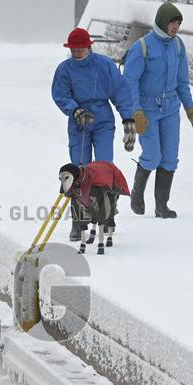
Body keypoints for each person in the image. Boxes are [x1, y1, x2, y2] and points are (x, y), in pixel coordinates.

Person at [52, 27, 136, 241]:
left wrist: (128, 119)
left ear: (89, 46)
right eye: (73, 50)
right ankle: (78, 220)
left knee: (105, 168)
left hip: (102, 119)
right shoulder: (64, 70)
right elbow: (60, 95)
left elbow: (120, 90)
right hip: (79, 121)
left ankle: (107, 216)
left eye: (80, 49)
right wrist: (75, 110)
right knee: (79, 169)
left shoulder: (105, 65)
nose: (77, 53)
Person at [123, 2, 193, 219]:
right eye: (172, 23)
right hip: (147, 110)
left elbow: (182, 81)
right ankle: (137, 194)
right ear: (162, 22)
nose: (175, 27)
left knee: (170, 157)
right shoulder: (143, 47)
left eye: (178, 23)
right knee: (152, 155)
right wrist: (136, 111)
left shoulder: (178, 46)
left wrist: (190, 108)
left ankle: (162, 206)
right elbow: (130, 82)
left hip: (170, 108)